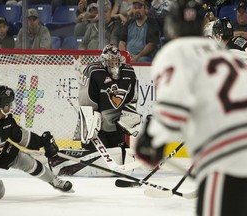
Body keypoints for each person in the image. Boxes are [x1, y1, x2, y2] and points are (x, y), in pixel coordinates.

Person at [135, 0, 247, 215]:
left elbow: (173, 110)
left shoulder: (177, 51)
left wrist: (151, 140)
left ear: (171, 27)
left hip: (227, 157)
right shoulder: (226, 54)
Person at [0, 85, 73, 203]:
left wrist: (43, 142)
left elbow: (22, 137)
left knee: (24, 159)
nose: (11, 107)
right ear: (1, 106)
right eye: (8, 105)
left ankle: (53, 180)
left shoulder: (5, 119)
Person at [78, 44, 140, 152]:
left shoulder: (129, 72)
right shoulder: (94, 71)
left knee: (118, 153)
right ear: (103, 60)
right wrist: (91, 123)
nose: (114, 64)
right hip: (98, 126)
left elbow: (131, 99)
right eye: (110, 61)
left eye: (116, 61)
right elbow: (87, 100)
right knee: (94, 153)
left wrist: (128, 118)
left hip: (116, 125)